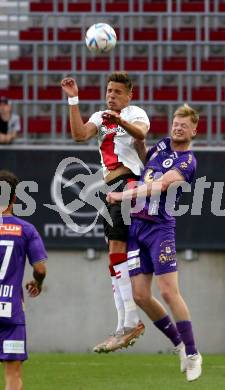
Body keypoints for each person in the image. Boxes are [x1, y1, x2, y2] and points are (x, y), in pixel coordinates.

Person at [107, 104, 202, 381]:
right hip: (138, 226)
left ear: (194, 130)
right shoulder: (161, 146)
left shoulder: (187, 161)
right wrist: (138, 143)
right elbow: (148, 164)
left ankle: (194, 353)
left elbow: (160, 186)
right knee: (139, 295)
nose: (177, 127)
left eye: (184, 125)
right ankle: (179, 344)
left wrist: (121, 196)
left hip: (160, 228)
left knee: (169, 292)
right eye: (175, 122)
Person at [61, 71, 150, 352]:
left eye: (117, 92)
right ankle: (123, 325)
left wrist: (121, 120)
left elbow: (142, 134)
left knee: (117, 247)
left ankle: (131, 322)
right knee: (114, 254)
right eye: (109, 91)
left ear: (129, 95)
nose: (111, 95)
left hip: (129, 184)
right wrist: (73, 100)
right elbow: (78, 135)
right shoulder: (100, 117)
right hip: (110, 188)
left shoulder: (135, 113)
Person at [0, 170, 47, 390]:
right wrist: (37, 282)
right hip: (11, 311)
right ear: (15, 198)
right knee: (13, 373)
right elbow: (40, 268)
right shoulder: (26, 230)